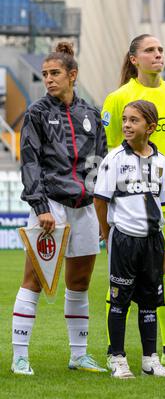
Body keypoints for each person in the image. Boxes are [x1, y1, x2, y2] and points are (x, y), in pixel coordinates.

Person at [101, 34, 165, 368]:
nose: (158, 54)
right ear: (133, 59)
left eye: (160, 49)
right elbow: (112, 150)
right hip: (128, 206)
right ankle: (116, 350)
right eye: (150, 50)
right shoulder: (118, 98)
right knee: (122, 277)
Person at [12, 41, 108, 375]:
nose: (49, 79)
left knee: (79, 282)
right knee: (34, 279)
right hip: (50, 206)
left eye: (55, 73)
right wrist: (40, 206)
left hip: (84, 208)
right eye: (45, 74)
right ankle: (20, 356)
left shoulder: (92, 115)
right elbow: (30, 163)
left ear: (72, 75)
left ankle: (78, 355)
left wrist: (100, 206)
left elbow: (100, 165)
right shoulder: (36, 113)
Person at [94, 99, 165, 378]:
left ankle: (150, 359)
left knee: (149, 302)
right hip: (124, 240)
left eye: (134, 121)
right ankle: (116, 357)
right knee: (119, 300)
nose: (127, 125)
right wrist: (108, 237)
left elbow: (160, 202)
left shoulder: (162, 162)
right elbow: (100, 200)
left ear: (150, 127)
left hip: (153, 240)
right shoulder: (114, 159)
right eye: (125, 120)